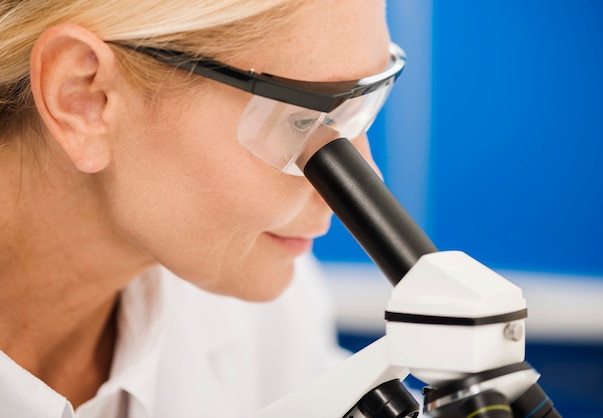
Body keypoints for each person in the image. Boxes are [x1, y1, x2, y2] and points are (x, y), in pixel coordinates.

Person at [0, 0, 404, 416]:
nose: (364, 177)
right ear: (84, 96)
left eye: (364, 107)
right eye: (300, 121)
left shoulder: (265, 312)